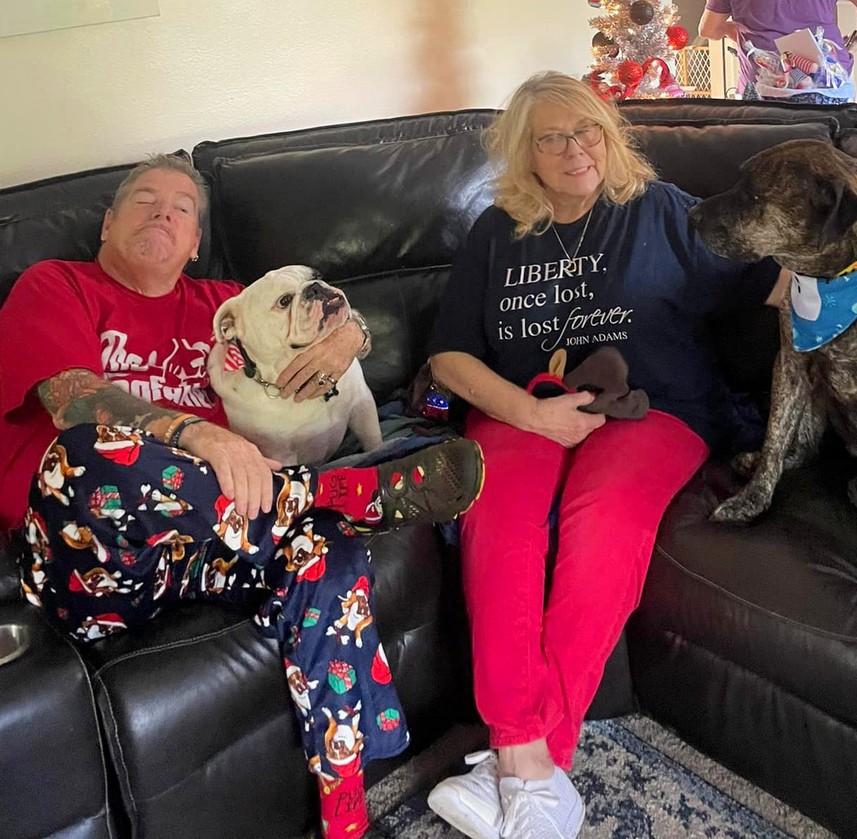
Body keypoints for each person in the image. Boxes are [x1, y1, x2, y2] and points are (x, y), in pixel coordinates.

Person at [0, 155, 484, 839]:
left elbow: (320, 308)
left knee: (326, 550)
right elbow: (71, 399)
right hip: (89, 555)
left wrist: (351, 336)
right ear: (106, 223)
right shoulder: (56, 285)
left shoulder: (228, 305)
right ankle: (329, 492)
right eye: (144, 200)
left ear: (196, 241)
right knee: (87, 451)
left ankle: (345, 808)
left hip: (219, 541)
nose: (162, 213)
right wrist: (197, 433)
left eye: (181, 207)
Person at [422, 71, 788, 839]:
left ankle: (521, 759)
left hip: (655, 407)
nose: (574, 148)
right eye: (551, 137)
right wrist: (530, 412)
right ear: (525, 153)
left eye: (587, 128)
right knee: (499, 518)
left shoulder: (663, 213)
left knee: (601, 520)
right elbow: (450, 355)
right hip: (526, 406)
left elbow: (779, 274)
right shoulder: (497, 233)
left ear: (610, 133)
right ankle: (532, 772)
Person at [698, 0, 857, 103]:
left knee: (770, 153)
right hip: (829, 79)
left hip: (767, 85)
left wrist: (733, 29)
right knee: (833, 148)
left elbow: (708, 30)